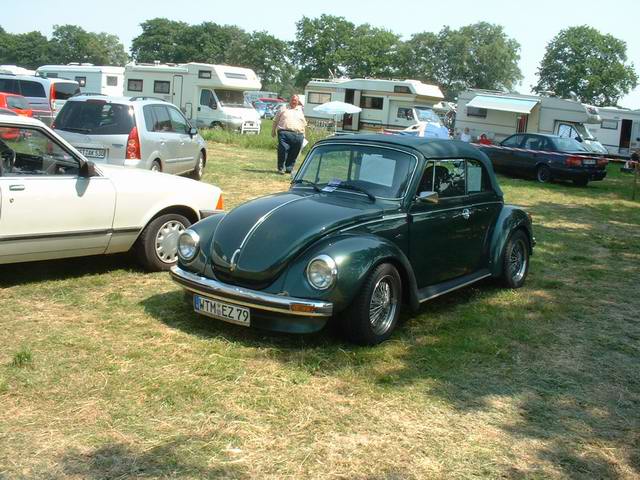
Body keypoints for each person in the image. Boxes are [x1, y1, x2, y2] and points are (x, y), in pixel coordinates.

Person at [271, 94, 307, 174]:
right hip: (284, 132)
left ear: (298, 102)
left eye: (296, 100)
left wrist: (304, 135)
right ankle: (281, 168)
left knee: (294, 152)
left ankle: (289, 168)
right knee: (283, 150)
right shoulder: (283, 108)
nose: (294, 101)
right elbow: (275, 120)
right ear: (290, 100)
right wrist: (273, 131)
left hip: (298, 134)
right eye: (293, 100)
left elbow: (304, 124)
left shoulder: (301, 110)